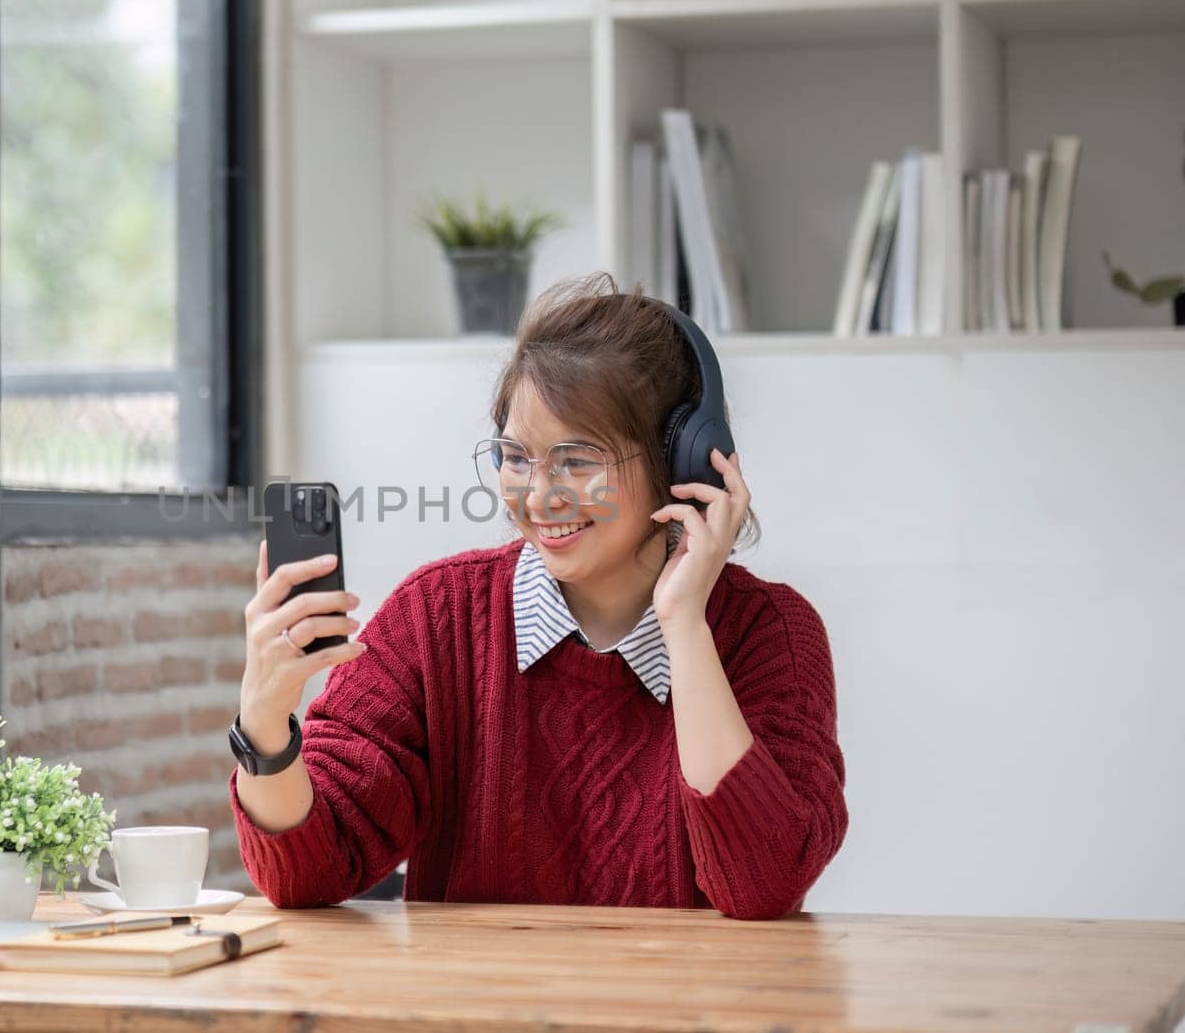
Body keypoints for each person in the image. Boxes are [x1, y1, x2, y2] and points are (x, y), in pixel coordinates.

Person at [225, 273, 848, 919]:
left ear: (685, 462)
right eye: (516, 457)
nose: (538, 494)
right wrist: (266, 726)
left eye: (577, 460)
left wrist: (685, 622)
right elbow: (308, 870)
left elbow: (764, 886)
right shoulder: (436, 618)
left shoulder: (770, 631)